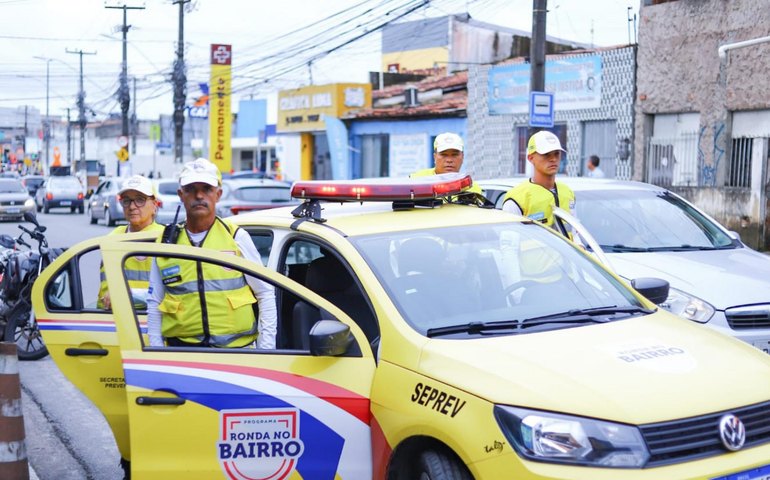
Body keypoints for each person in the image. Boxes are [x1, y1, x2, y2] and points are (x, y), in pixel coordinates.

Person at [146, 158, 277, 349]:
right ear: (181, 195)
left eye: (206, 189)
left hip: (236, 354)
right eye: (191, 189)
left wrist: (266, 350)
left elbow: (265, 293)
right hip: (182, 353)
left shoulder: (236, 237)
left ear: (218, 194)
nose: (199, 195)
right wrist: (156, 350)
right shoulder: (166, 243)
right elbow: (154, 302)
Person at [97, 175, 164, 309]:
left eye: (140, 200)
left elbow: (175, 294)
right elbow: (104, 295)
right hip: (121, 320)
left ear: (154, 205)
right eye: (126, 201)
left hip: (156, 321)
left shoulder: (167, 239)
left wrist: (129, 295)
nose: (132, 206)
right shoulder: (113, 239)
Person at [501, 130, 575, 239]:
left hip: (567, 256)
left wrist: (580, 246)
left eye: (557, 154)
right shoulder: (517, 198)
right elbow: (509, 247)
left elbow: (574, 232)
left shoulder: (567, 192)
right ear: (530, 158)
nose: (553, 159)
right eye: (546, 154)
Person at [410, 132, 482, 194]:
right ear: (434, 157)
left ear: (462, 157)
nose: (449, 160)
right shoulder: (417, 181)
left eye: (454, 155)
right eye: (444, 155)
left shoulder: (472, 188)